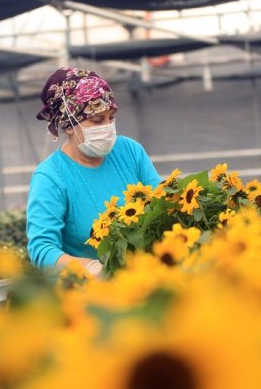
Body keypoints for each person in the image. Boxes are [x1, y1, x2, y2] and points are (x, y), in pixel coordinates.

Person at [26, 66, 161, 277]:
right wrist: (92, 269)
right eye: (98, 120)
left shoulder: (130, 152)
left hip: (147, 279)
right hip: (90, 296)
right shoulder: (51, 177)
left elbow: (163, 206)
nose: (108, 127)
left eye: (112, 117)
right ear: (69, 124)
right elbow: (42, 250)